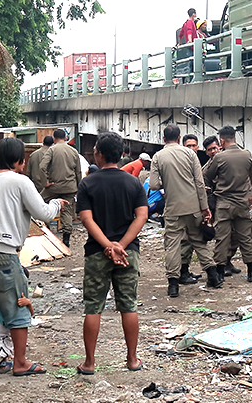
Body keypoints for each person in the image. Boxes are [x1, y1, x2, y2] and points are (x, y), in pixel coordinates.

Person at [0, 137, 65, 376]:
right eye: (23, 160)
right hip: (4, 253)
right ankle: (20, 362)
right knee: (17, 305)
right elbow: (43, 213)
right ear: (19, 160)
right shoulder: (21, 181)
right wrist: (57, 205)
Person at [75, 131, 148, 375]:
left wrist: (108, 244)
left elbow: (86, 219)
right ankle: (132, 359)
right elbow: (142, 216)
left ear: (100, 154)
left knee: (93, 307)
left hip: (97, 252)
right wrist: (122, 245)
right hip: (128, 254)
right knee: (128, 305)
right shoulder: (133, 182)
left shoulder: (88, 184)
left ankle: (89, 363)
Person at [149, 124, 220, 296]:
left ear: (164, 139)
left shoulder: (158, 156)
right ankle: (213, 276)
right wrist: (205, 208)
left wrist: (166, 183)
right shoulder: (190, 154)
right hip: (193, 206)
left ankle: (173, 285)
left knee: (172, 245)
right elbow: (199, 183)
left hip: (173, 208)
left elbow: (153, 184)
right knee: (198, 241)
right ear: (179, 138)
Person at [204, 125, 252, 283]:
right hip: (242, 202)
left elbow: (208, 176)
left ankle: (220, 272)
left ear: (221, 140)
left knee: (222, 238)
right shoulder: (247, 155)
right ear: (235, 138)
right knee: (245, 237)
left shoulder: (219, 158)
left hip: (224, 203)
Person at [44, 129, 83, 246]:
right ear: (65, 138)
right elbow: (78, 171)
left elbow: (42, 166)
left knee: (42, 202)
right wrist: (78, 186)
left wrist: (46, 181)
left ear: (54, 138)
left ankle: (46, 231)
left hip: (54, 186)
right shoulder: (73, 151)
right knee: (67, 211)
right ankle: (66, 239)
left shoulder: (52, 150)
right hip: (70, 187)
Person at [176, 8, 199, 79]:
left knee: (191, 62)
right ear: (193, 14)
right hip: (193, 46)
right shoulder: (190, 22)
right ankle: (194, 78)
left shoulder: (185, 23)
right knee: (194, 62)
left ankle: (192, 78)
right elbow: (190, 31)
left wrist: (180, 43)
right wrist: (190, 40)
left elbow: (180, 34)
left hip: (190, 47)